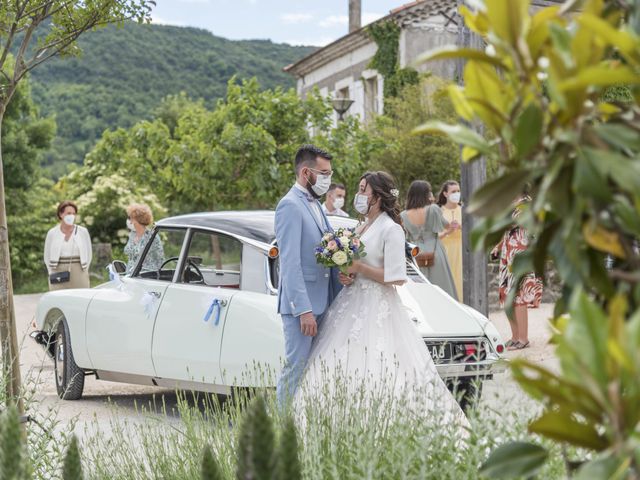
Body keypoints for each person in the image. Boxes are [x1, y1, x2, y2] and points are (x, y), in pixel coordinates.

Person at [295, 171, 468, 428]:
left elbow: (397, 278)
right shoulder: (361, 225)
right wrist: (349, 275)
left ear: (377, 195)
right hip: (351, 303)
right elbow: (358, 265)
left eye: (363, 190)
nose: (359, 195)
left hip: (378, 307)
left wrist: (359, 269)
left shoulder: (391, 228)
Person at [274, 144, 342, 407]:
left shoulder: (315, 204)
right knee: (295, 369)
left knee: (315, 371)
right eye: (323, 173)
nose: (328, 179)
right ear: (306, 172)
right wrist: (303, 310)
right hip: (303, 308)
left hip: (323, 300)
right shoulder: (289, 205)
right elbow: (289, 262)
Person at [491, 196, 543, 350]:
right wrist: (498, 246)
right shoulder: (507, 200)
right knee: (506, 294)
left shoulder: (526, 201)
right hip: (508, 252)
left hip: (521, 252)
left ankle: (523, 338)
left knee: (519, 296)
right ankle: (514, 337)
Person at [401, 180, 458, 299]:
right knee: (442, 289)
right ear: (426, 194)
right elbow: (447, 226)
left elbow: (405, 237)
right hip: (435, 252)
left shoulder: (403, 215)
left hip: (415, 254)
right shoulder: (433, 209)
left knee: (420, 293)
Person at [43, 200, 92, 290]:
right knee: (58, 301)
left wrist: (84, 271)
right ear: (61, 214)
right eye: (68, 213)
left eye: (74, 214)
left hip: (79, 274)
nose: (71, 216)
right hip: (57, 274)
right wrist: (51, 272)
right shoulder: (52, 233)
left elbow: (89, 254)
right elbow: (47, 256)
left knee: (80, 300)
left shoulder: (82, 232)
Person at [437, 180, 463, 301]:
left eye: (458, 191)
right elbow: (433, 236)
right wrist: (447, 232)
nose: (456, 194)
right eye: (453, 191)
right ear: (445, 194)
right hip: (445, 252)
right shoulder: (438, 211)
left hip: (461, 252)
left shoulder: (464, 211)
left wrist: (461, 227)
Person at [123, 203, 164, 274]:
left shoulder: (152, 236)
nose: (129, 221)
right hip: (130, 276)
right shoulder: (132, 235)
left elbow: (160, 259)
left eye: (130, 218)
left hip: (146, 277)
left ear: (138, 220)